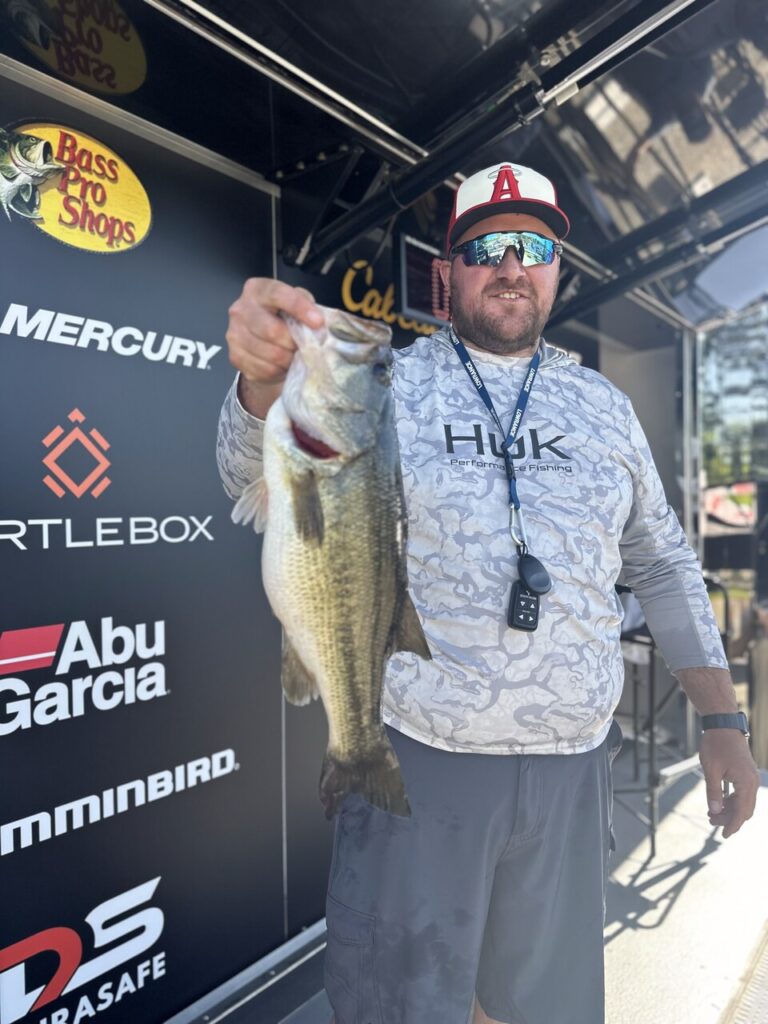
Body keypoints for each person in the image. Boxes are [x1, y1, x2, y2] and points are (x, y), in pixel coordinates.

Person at [217, 162, 760, 1024]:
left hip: (572, 769)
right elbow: (250, 473)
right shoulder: (384, 381)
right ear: (448, 272)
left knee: (541, 1010)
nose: (511, 266)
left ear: (557, 271)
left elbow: (662, 563)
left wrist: (723, 718)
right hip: (418, 764)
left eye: (533, 248)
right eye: (486, 247)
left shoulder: (605, 406)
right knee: (400, 1009)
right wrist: (257, 382)